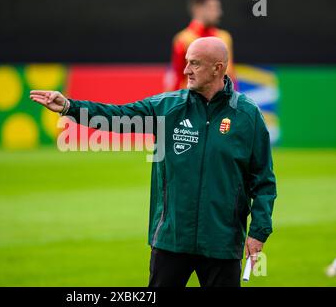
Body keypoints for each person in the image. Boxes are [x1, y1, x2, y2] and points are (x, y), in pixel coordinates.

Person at [29, 37, 276, 287]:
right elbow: (117, 116)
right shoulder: (168, 107)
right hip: (171, 240)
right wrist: (69, 107)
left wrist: (258, 232)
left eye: (195, 63)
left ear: (218, 68)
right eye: (187, 62)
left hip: (222, 242)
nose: (186, 70)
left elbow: (264, 180)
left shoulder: (247, 115)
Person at [165, 0, 237, 91]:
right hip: (192, 100)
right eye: (213, 9)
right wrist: (171, 102)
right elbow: (177, 75)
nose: (219, 13)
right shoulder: (183, 39)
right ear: (198, 9)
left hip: (219, 100)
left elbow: (230, 73)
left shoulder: (224, 37)